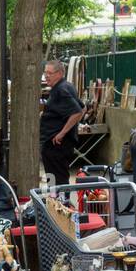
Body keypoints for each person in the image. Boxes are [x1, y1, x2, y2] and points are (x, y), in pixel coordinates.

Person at [40, 58, 84, 191]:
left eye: (50, 73)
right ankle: (56, 204)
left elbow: (77, 112)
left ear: (59, 73)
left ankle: (59, 206)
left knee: (57, 180)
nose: (46, 76)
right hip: (55, 144)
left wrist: (62, 133)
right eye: (45, 72)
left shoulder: (61, 89)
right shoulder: (66, 86)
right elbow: (83, 108)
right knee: (55, 178)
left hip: (57, 145)